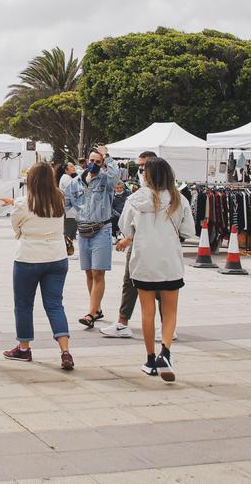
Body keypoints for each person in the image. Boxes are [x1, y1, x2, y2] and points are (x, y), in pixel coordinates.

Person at [116, 157, 194, 382]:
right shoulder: (179, 200)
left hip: (143, 262)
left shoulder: (134, 199)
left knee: (147, 312)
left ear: (146, 176)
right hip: (169, 261)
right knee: (169, 311)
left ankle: (150, 359)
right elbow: (188, 231)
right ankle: (165, 353)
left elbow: (124, 227)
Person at [0, 162, 74, 370]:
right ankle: (65, 351)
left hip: (29, 257)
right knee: (55, 304)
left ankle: (23, 348)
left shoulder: (23, 202)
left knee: (23, 304)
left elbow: (17, 223)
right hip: (57, 257)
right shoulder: (59, 199)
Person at [104, 151, 157, 339]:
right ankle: (122, 322)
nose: (141, 170)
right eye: (139, 166)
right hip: (138, 246)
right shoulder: (138, 194)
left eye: (144, 166)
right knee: (129, 282)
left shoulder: (170, 195)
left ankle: (165, 326)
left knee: (161, 287)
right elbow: (129, 224)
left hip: (159, 249)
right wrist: (129, 238)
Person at [66, 146, 120, 329]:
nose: (94, 164)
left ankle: (91, 313)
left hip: (102, 229)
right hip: (83, 232)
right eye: (91, 161)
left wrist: (107, 156)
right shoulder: (76, 182)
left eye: (98, 161)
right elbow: (65, 204)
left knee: (98, 272)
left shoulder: (106, 180)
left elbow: (115, 175)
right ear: (86, 161)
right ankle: (96, 309)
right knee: (88, 272)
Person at [58, 163, 78, 256]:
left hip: (71, 209)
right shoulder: (66, 178)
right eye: (71, 166)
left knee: (70, 230)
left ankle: (68, 250)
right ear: (66, 170)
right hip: (69, 209)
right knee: (68, 231)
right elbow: (74, 192)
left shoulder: (68, 178)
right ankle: (66, 251)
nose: (73, 167)